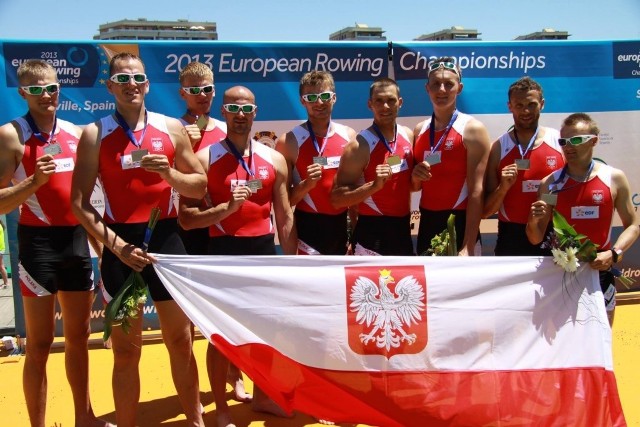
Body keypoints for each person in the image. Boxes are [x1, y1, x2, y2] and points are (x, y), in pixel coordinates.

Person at [70, 52, 207, 427]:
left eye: (138, 79)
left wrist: (170, 175)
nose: (132, 85)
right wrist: (117, 247)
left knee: (180, 342)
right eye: (123, 79)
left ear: (147, 85)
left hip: (165, 241)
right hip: (121, 247)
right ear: (110, 86)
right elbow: (80, 204)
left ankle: (195, 422)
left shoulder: (171, 129)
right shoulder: (95, 133)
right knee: (127, 353)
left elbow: (199, 185)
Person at [0, 59, 112, 427]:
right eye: (35, 89)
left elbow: (89, 196)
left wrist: (101, 247)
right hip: (38, 247)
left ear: (58, 88)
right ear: (22, 93)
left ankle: (85, 417)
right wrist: (32, 184)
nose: (45, 95)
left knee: (79, 336)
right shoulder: (11, 135)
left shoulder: (76, 133)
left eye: (50, 87)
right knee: (39, 344)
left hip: (76, 241)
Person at [179, 86, 297, 427]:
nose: (240, 114)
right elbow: (186, 219)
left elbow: (285, 216)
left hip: (262, 253)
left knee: (265, 332)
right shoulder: (204, 159)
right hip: (222, 255)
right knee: (220, 337)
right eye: (233, 108)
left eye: (246, 108)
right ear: (224, 111)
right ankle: (221, 409)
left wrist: (291, 262)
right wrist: (224, 209)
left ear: (255, 111)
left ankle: (262, 395)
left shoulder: (273, 158)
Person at [176, 61, 252, 404]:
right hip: (189, 228)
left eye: (207, 89)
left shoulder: (226, 126)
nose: (201, 96)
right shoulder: (172, 128)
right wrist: (187, 147)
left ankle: (234, 378)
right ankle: (192, 389)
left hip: (224, 228)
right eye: (194, 90)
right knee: (190, 321)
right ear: (182, 93)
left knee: (229, 313)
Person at [526, 113, 639, 325]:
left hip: (599, 271)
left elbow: (633, 225)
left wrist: (614, 254)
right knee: (561, 344)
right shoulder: (550, 184)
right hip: (560, 273)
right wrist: (533, 220)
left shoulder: (613, 178)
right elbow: (535, 238)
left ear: (594, 140)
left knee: (601, 339)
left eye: (576, 140)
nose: (568, 146)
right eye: (563, 141)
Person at [411, 57, 491, 256]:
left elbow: (476, 191)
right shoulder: (420, 130)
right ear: (427, 88)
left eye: (449, 84)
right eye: (436, 84)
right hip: (427, 222)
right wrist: (415, 176)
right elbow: (415, 187)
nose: (442, 90)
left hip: (461, 224)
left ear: (460, 88)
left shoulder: (472, 129)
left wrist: (468, 245)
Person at [276, 70, 357, 255]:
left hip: (341, 229)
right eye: (311, 97)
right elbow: (283, 202)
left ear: (334, 98)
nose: (319, 102)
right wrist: (306, 185)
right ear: (302, 101)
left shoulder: (349, 136)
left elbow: (355, 196)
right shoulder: (289, 141)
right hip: (307, 231)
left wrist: (355, 236)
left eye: (325, 96)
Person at [331, 77, 415, 255]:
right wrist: (373, 186)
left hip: (403, 230)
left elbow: (410, 185)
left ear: (400, 103)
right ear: (370, 104)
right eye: (379, 101)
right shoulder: (359, 146)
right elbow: (337, 199)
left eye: (390, 100)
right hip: (372, 232)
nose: (385, 106)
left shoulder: (408, 135)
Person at [483, 77, 565, 255]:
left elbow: (572, 193)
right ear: (509, 106)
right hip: (511, 236)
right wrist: (503, 188)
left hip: (553, 233)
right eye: (518, 105)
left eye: (531, 104)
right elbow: (486, 211)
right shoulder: (498, 148)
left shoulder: (559, 142)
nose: (525, 111)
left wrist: (549, 201)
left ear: (542, 104)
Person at [0, 219, 8, 288]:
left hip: (0, 249)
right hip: (1, 249)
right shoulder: (0, 226)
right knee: (1, 266)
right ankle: (6, 283)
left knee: (1, 267)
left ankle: (6, 283)